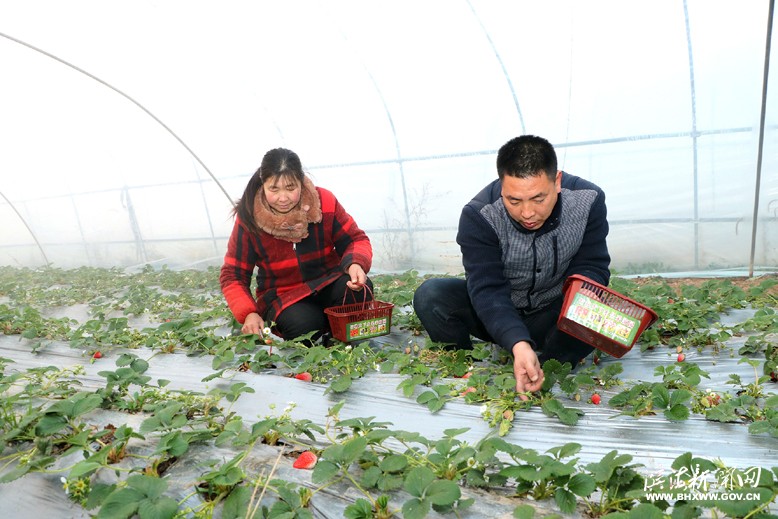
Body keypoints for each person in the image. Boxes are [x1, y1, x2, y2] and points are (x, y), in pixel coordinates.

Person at [413, 135, 610, 399]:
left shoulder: (588, 200)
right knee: (431, 295)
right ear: (501, 186)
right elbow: (487, 289)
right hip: (496, 313)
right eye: (514, 201)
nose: (527, 213)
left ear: (558, 181)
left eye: (538, 199)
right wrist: (516, 341)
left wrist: (583, 293)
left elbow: (593, 263)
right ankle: (466, 367)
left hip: (553, 312)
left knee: (596, 315)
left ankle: (546, 369)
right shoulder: (479, 215)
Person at [220, 147, 373, 344]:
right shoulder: (249, 217)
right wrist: (249, 313)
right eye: (273, 189)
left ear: (301, 182)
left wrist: (355, 263)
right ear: (263, 184)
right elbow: (233, 274)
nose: (283, 198)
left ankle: (338, 330)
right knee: (303, 325)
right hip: (284, 297)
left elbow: (354, 239)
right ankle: (327, 327)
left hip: (327, 281)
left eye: (290, 188)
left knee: (358, 288)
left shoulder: (324, 201)